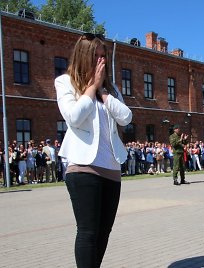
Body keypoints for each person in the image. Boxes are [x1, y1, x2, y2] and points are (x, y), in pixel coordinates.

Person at [55, 32, 132, 267]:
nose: (101, 62)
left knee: (103, 233)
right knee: (88, 232)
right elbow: (74, 117)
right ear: (83, 57)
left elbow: (126, 118)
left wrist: (104, 93)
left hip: (111, 168)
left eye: (103, 57)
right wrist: (91, 88)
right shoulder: (65, 82)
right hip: (83, 168)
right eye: (95, 57)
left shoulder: (111, 89)